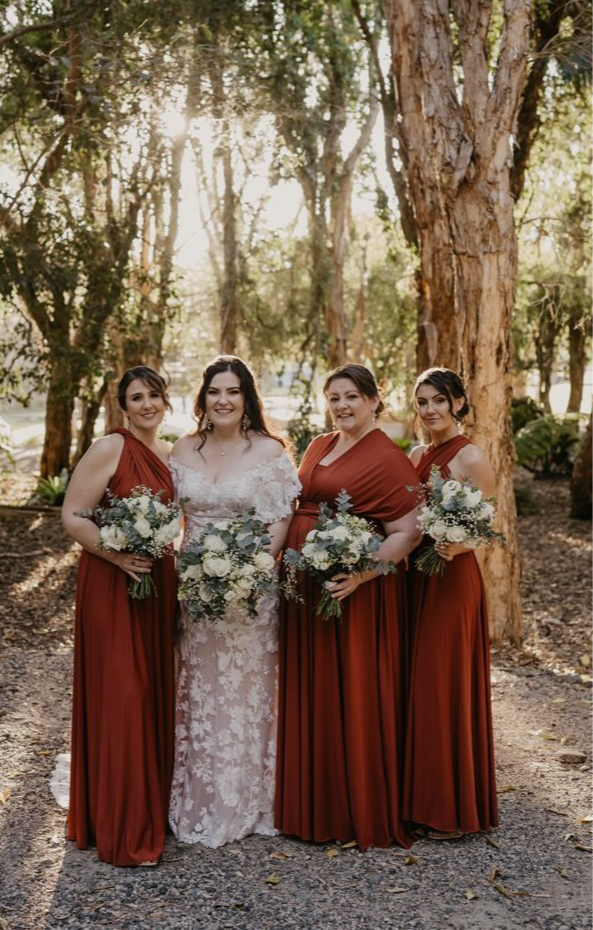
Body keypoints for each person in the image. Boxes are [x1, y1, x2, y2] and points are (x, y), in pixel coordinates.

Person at [276, 364, 422, 850]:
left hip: (354, 597)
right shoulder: (319, 444)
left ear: (375, 399)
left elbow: (407, 532)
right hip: (307, 588)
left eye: (352, 397)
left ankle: (347, 807)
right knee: (313, 688)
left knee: (350, 692)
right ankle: (309, 804)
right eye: (334, 397)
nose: (342, 406)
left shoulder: (388, 458)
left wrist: (360, 574)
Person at [169, 355, 300, 847]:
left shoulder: (268, 452)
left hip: (252, 591)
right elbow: (170, 519)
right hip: (193, 589)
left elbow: (280, 522)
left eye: (233, 392)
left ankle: (251, 797)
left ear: (247, 399)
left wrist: (247, 570)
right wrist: (196, 573)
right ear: (202, 398)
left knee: (248, 691)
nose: (222, 401)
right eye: (214, 392)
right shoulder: (183, 449)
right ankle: (195, 793)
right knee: (198, 687)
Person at [62, 366, 177, 866]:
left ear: (165, 401)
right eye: (137, 397)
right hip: (112, 582)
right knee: (123, 694)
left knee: (152, 692)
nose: (147, 404)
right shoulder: (110, 447)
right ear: (123, 406)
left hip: (157, 584)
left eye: (154, 395)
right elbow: (71, 515)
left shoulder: (173, 455)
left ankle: (149, 807)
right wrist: (117, 555)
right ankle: (124, 831)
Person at [403, 366, 498, 839]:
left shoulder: (471, 456)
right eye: (422, 402)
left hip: (451, 579)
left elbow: (489, 522)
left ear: (459, 402)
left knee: (442, 685)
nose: (431, 410)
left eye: (439, 400)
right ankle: (419, 798)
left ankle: (452, 810)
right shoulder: (417, 453)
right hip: (415, 578)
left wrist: (464, 544)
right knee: (418, 685)